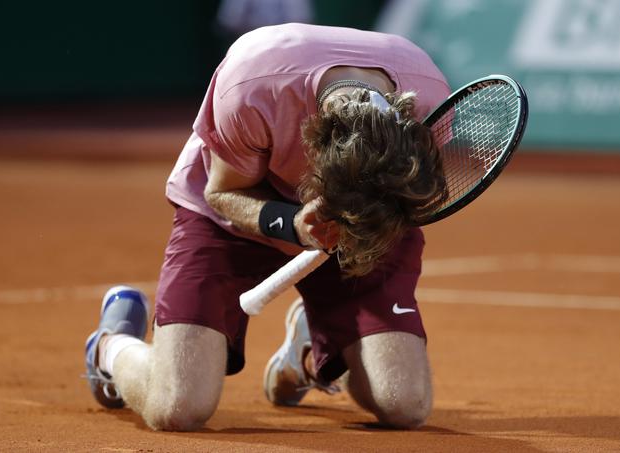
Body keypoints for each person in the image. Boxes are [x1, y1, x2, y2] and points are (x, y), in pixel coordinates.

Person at [84, 22, 450, 431]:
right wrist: (291, 222)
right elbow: (221, 193)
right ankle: (109, 347)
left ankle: (310, 355)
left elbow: (416, 201)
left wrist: (370, 215)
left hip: (368, 218)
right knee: (177, 408)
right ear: (315, 143)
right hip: (236, 206)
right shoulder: (252, 86)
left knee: (404, 405)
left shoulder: (427, 105)